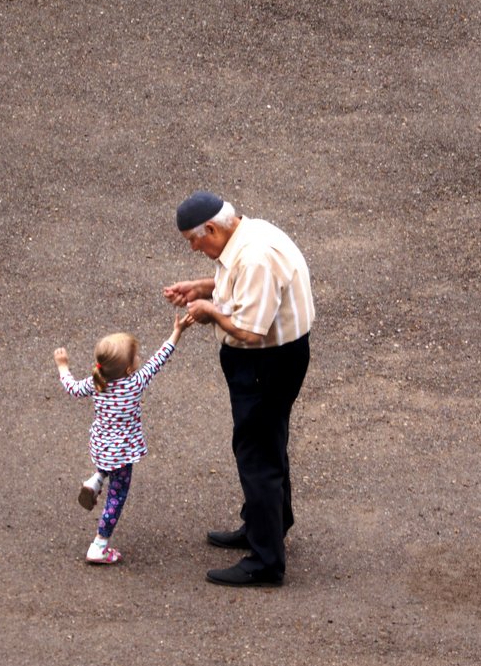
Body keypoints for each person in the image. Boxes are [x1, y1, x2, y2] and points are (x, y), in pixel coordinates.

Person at [165, 191, 315, 587]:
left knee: (256, 456)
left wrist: (209, 311)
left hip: (265, 363)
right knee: (268, 443)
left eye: (195, 240)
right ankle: (267, 525)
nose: (195, 248)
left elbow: (249, 330)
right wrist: (203, 288)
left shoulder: (254, 258)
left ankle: (266, 562)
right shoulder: (249, 234)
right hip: (275, 360)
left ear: (211, 227)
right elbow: (239, 289)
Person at [53, 310, 194, 564]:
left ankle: (96, 479)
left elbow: (72, 388)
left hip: (101, 446)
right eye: (136, 356)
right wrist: (177, 331)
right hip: (123, 453)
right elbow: (160, 358)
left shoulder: (97, 383)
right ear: (129, 368)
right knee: (117, 497)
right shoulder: (136, 382)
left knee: (107, 464)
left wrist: (63, 366)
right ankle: (99, 545)